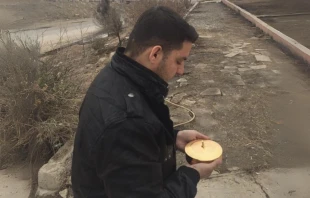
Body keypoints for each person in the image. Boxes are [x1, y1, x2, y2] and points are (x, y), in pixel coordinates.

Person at [71, 6, 222, 198]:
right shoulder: (126, 121)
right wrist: (192, 174)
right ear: (155, 54)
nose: (181, 70)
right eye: (179, 61)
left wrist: (172, 138)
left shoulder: (115, 75)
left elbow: (137, 144)